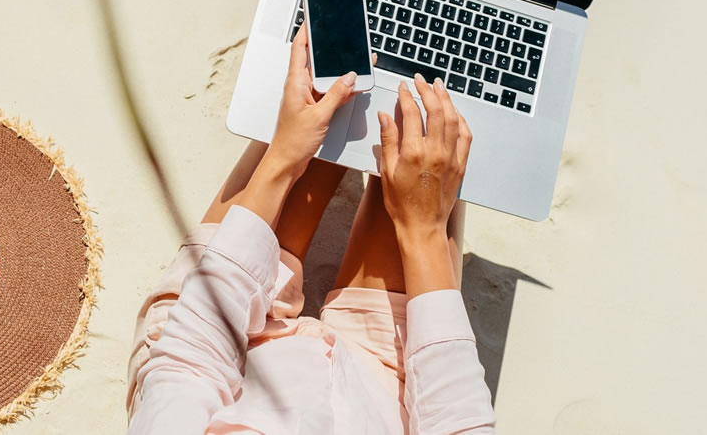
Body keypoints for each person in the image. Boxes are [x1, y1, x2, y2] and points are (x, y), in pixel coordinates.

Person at [126, 25, 496, 433]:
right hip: (378, 391)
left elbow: (192, 355)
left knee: (333, 85)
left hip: (217, 349)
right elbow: (458, 421)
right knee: (433, 121)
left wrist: (284, 158)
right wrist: (423, 232)